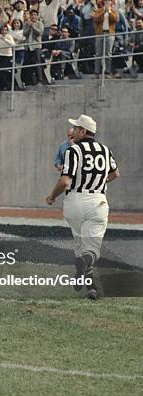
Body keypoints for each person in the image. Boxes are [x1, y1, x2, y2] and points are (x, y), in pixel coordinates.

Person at [45, 114, 120, 300]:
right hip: (97, 201)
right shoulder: (104, 149)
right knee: (92, 248)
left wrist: (52, 197)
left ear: (83, 131)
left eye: (76, 129)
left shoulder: (74, 151)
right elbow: (115, 173)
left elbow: (64, 181)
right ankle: (88, 275)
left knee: (80, 245)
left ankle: (90, 285)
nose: (73, 133)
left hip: (75, 201)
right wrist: (100, 183)